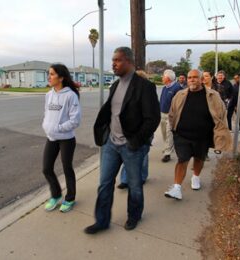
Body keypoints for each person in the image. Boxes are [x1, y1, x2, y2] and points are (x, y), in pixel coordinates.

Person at [84, 47, 160, 234]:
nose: (113, 64)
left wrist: (136, 141)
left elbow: (153, 119)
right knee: (105, 183)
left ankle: (134, 216)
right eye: (113, 60)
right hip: (111, 143)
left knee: (134, 185)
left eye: (117, 60)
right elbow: (113, 112)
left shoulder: (145, 87)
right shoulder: (115, 85)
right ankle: (101, 221)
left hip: (131, 146)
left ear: (129, 61)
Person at [164, 69, 231, 200]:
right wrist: (173, 129)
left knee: (199, 158)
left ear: (202, 80)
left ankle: (196, 177)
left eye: (195, 77)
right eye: (189, 78)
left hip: (203, 136)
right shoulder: (180, 94)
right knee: (182, 160)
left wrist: (220, 136)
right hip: (182, 135)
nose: (192, 80)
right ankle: (177, 188)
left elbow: (221, 116)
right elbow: (172, 113)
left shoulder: (213, 95)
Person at [42, 64, 81, 213]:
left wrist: (58, 128)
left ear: (61, 77)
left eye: (52, 74)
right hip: (51, 137)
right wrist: (46, 126)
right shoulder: (48, 95)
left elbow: (75, 120)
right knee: (46, 168)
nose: (49, 77)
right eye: (49, 74)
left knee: (67, 168)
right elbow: (47, 113)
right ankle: (56, 195)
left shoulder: (70, 95)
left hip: (66, 139)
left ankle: (70, 198)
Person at [117, 70, 150, 189]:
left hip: (143, 132)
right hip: (128, 131)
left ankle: (142, 177)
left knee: (143, 156)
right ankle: (125, 180)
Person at [159, 69, 182, 162]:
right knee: (164, 133)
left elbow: (179, 103)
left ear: (167, 78)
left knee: (169, 134)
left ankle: (167, 153)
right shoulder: (165, 87)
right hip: (162, 113)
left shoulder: (177, 88)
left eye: (163, 76)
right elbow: (162, 100)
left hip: (171, 115)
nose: (162, 78)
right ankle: (166, 148)